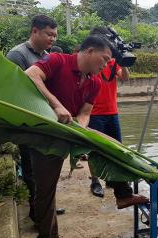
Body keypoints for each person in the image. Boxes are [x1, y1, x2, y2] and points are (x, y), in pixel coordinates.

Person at [24, 35, 114, 238]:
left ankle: (123, 192)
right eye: (105, 59)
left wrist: (79, 129)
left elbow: (85, 113)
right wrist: (56, 105)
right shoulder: (58, 60)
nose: (106, 65)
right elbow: (30, 74)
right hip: (44, 137)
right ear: (90, 51)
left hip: (67, 135)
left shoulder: (95, 82)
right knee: (45, 191)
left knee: (111, 145)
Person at [86, 27, 149, 209]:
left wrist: (124, 64)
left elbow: (124, 79)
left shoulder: (113, 61)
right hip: (94, 113)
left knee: (117, 149)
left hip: (112, 111)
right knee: (95, 151)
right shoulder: (89, 59)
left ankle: (114, 183)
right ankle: (95, 180)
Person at [6, 15, 58, 222]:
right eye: (49, 34)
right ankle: (37, 213)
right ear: (34, 31)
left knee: (43, 169)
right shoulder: (17, 55)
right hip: (27, 123)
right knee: (31, 168)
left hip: (44, 121)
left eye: (54, 35)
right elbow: (13, 91)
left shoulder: (46, 55)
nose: (52, 39)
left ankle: (44, 209)